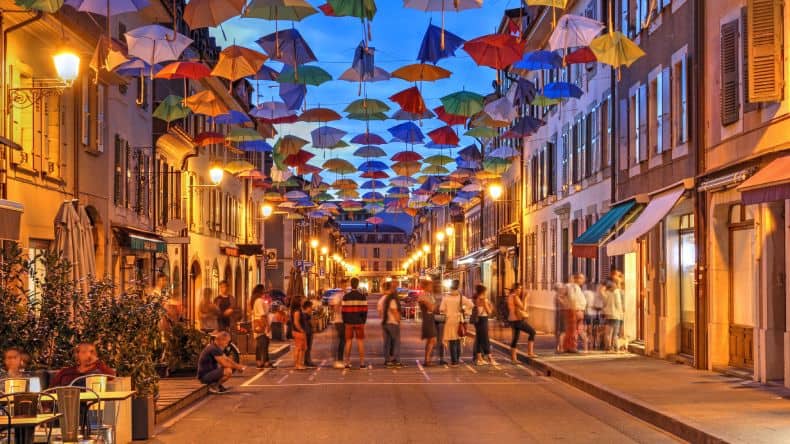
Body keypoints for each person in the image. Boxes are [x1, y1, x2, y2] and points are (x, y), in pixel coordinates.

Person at [439, 280, 473, 366]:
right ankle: (457, 359)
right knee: (458, 340)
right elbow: (471, 305)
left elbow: (442, 309)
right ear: (458, 287)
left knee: (452, 341)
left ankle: (454, 361)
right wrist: (464, 310)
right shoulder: (461, 297)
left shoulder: (446, 297)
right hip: (459, 320)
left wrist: (447, 311)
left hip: (450, 320)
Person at [507, 284, 537, 362]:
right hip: (518, 320)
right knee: (532, 332)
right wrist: (526, 299)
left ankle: (514, 358)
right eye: (519, 289)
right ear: (515, 289)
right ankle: (530, 352)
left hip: (512, 319)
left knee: (515, 338)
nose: (520, 290)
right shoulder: (515, 297)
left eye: (520, 289)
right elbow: (523, 307)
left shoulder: (510, 296)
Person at [342, 277, 368, 369]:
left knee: (348, 341)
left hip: (348, 322)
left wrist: (345, 321)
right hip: (359, 322)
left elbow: (343, 311)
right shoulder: (362, 296)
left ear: (350, 284)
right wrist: (363, 321)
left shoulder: (346, 297)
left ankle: (347, 362)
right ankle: (362, 363)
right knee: (360, 341)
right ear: (357, 285)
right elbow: (365, 311)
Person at [378, 280, 402, 368]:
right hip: (392, 322)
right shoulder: (391, 298)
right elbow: (394, 310)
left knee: (386, 343)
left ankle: (387, 360)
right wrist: (399, 320)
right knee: (396, 342)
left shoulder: (381, 300)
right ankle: (396, 360)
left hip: (384, 323)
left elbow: (380, 313)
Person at [250, 284, 274, 369]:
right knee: (263, 342)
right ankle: (262, 362)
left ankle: (263, 361)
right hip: (261, 323)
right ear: (260, 291)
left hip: (257, 323)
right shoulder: (259, 300)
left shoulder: (254, 300)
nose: (265, 291)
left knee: (261, 342)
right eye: (263, 289)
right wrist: (267, 326)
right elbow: (262, 315)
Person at [417, 278, 438, 366]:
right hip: (427, 319)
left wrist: (434, 305)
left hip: (431, 318)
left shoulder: (429, 295)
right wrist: (434, 305)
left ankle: (428, 359)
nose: (431, 287)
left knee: (431, 340)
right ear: (426, 286)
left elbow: (433, 307)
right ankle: (427, 360)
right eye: (430, 286)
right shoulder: (423, 296)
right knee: (432, 339)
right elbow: (431, 308)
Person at [564, 274, 587, 353]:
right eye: (582, 278)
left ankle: (569, 346)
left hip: (577, 310)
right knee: (573, 330)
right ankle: (572, 347)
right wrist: (575, 309)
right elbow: (572, 298)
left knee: (574, 330)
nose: (583, 280)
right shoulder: (573, 287)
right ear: (577, 279)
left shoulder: (576, 287)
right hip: (575, 310)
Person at [472, 285, 494, 365]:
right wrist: (490, 307)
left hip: (477, 320)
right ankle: (489, 358)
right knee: (485, 339)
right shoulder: (484, 300)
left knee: (479, 339)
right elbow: (489, 312)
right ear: (483, 291)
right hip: (483, 319)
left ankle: (479, 358)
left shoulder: (475, 298)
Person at [601, 279, 624, 352]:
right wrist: (621, 314)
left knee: (608, 332)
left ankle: (608, 347)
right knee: (615, 332)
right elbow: (618, 304)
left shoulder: (607, 293)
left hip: (608, 314)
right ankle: (616, 347)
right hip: (616, 315)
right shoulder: (617, 292)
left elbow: (604, 303)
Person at [329, 281, 348, 369]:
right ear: (341, 285)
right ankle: (338, 360)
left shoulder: (344, 295)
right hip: (339, 320)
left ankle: (340, 359)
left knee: (343, 340)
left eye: (346, 285)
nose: (345, 286)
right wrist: (341, 302)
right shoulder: (337, 296)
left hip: (344, 320)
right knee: (341, 340)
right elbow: (335, 309)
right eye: (344, 285)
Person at [584, 282, 604, 351]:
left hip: (590, 313)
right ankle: (593, 343)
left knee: (591, 329)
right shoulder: (595, 294)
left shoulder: (586, 293)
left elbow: (584, 303)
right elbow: (599, 305)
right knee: (594, 329)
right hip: (595, 314)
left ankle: (591, 342)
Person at [291, 298, 308, 370]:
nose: (302, 302)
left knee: (301, 348)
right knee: (299, 348)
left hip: (298, 331)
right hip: (298, 332)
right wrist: (301, 330)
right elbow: (296, 323)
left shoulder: (298, 310)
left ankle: (298, 364)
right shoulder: (297, 312)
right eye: (301, 301)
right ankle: (298, 364)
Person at [302, 300, 316, 367]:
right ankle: (308, 361)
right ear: (307, 307)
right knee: (308, 348)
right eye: (310, 307)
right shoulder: (307, 315)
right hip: (307, 332)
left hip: (306, 332)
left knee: (306, 348)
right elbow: (312, 324)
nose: (311, 308)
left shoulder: (303, 314)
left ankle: (306, 361)